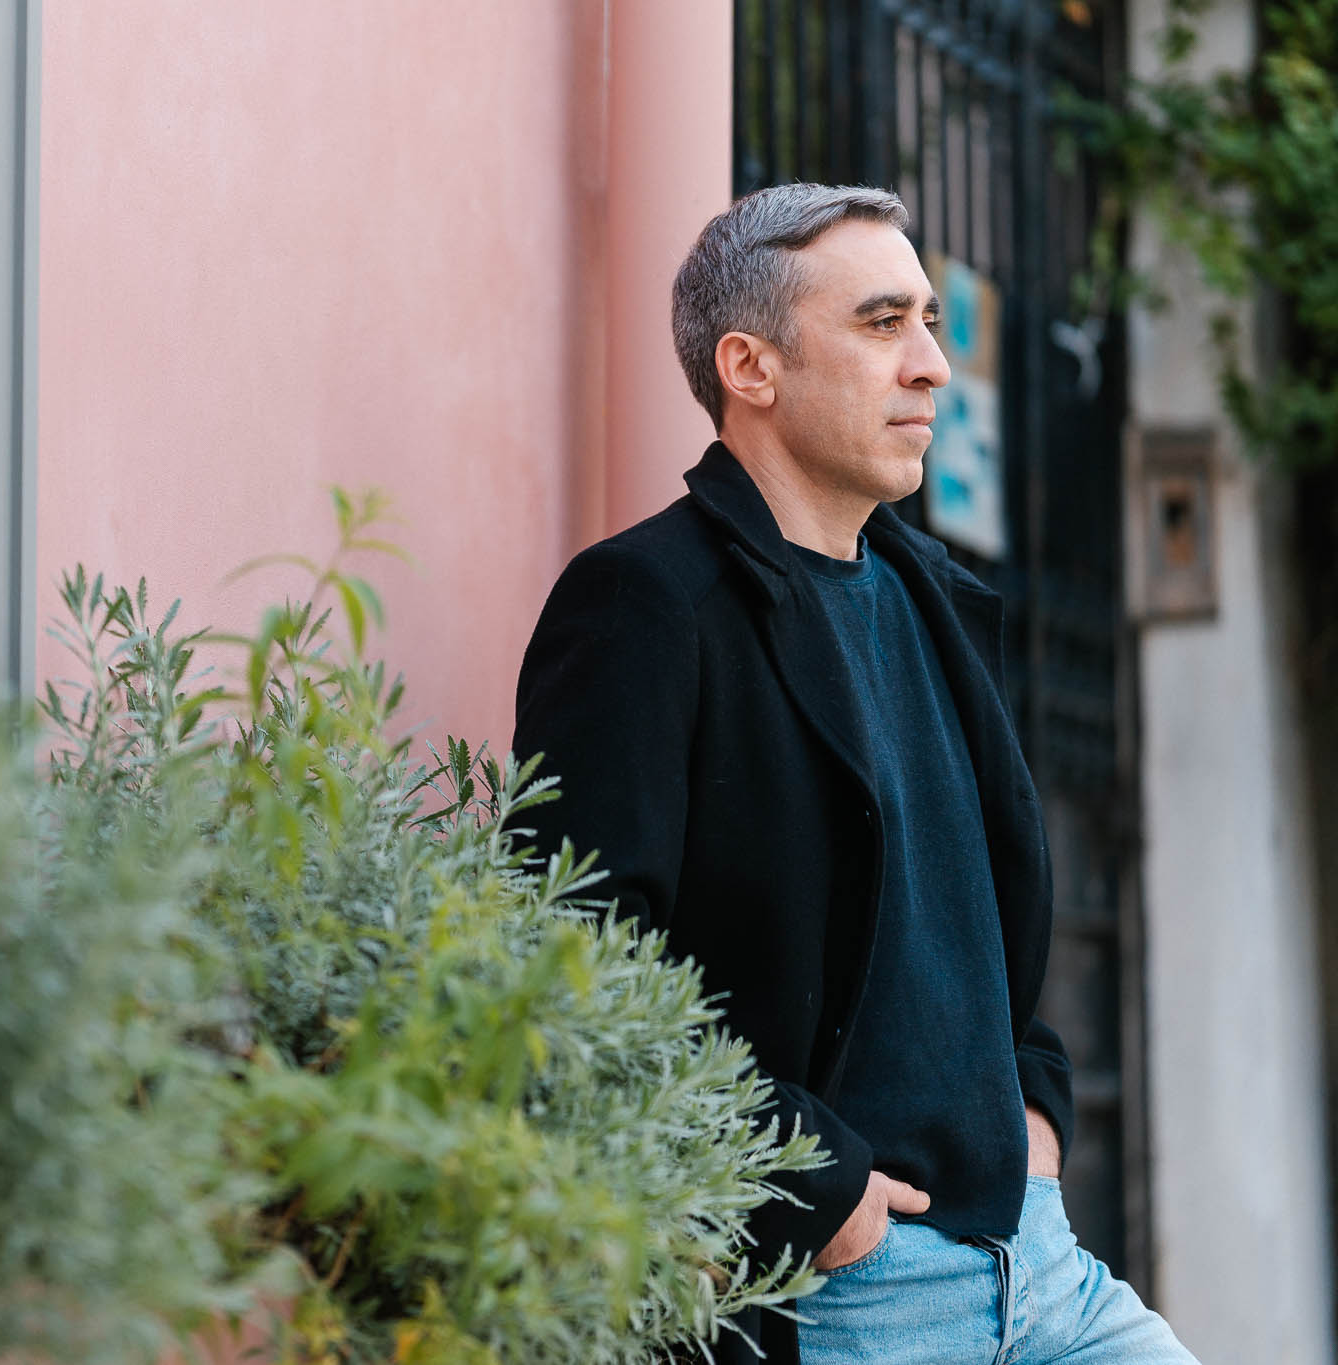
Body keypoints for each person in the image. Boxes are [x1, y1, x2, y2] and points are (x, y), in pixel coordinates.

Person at [511, 183, 1197, 1364]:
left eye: (925, 321)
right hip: (851, 1296)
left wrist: (1033, 1109)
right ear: (749, 368)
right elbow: (571, 962)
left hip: (1041, 1267)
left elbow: (977, 929)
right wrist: (815, 1191)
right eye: (882, 324)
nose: (930, 364)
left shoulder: (931, 595)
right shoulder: (646, 604)